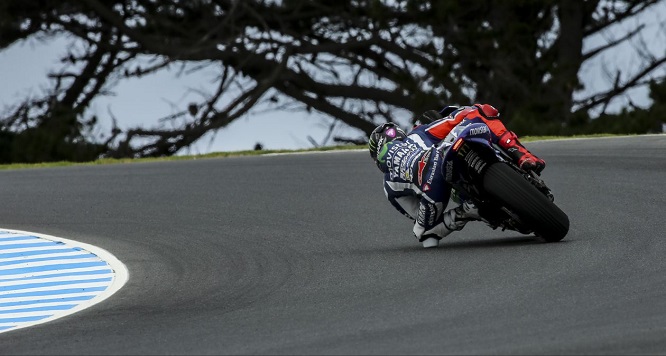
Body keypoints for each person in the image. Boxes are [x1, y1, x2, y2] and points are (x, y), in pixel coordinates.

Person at [368, 104, 546, 248]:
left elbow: (417, 216)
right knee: (482, 110)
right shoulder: (419, 134)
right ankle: (523, 156)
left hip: (434, 190)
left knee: (423, 232)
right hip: (443, 161)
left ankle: (466, 212)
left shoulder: (389, 186)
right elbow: (467, 115)